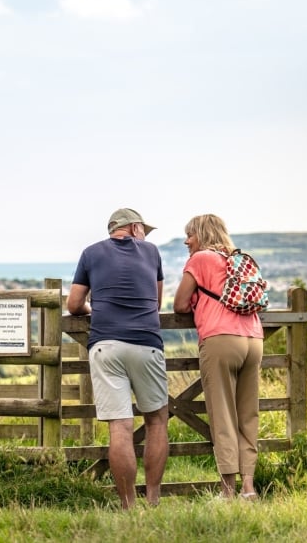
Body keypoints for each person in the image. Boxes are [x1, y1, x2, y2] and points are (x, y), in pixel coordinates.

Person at [67, 207, 169, 510]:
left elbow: (74, 304)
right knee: (157, 421)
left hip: (106, 344)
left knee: (120, 426)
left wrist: (92, 310)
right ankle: (153, 499)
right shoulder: (152, 253)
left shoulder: (90, 253)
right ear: (135, 228)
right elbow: (157, 301)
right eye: (144, 230)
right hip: (147, 344)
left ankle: (127, 505)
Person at [172, 214, 263, 500]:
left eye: (190, 234)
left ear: (202, 234)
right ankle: (249, 487)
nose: (187, 241)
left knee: (222, 414)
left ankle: (227, 491)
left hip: (221, 339)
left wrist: (198, 303)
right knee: (248, 414)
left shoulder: (200, 259)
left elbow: (179, 304)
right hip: (253, 338)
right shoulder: (236, 259)